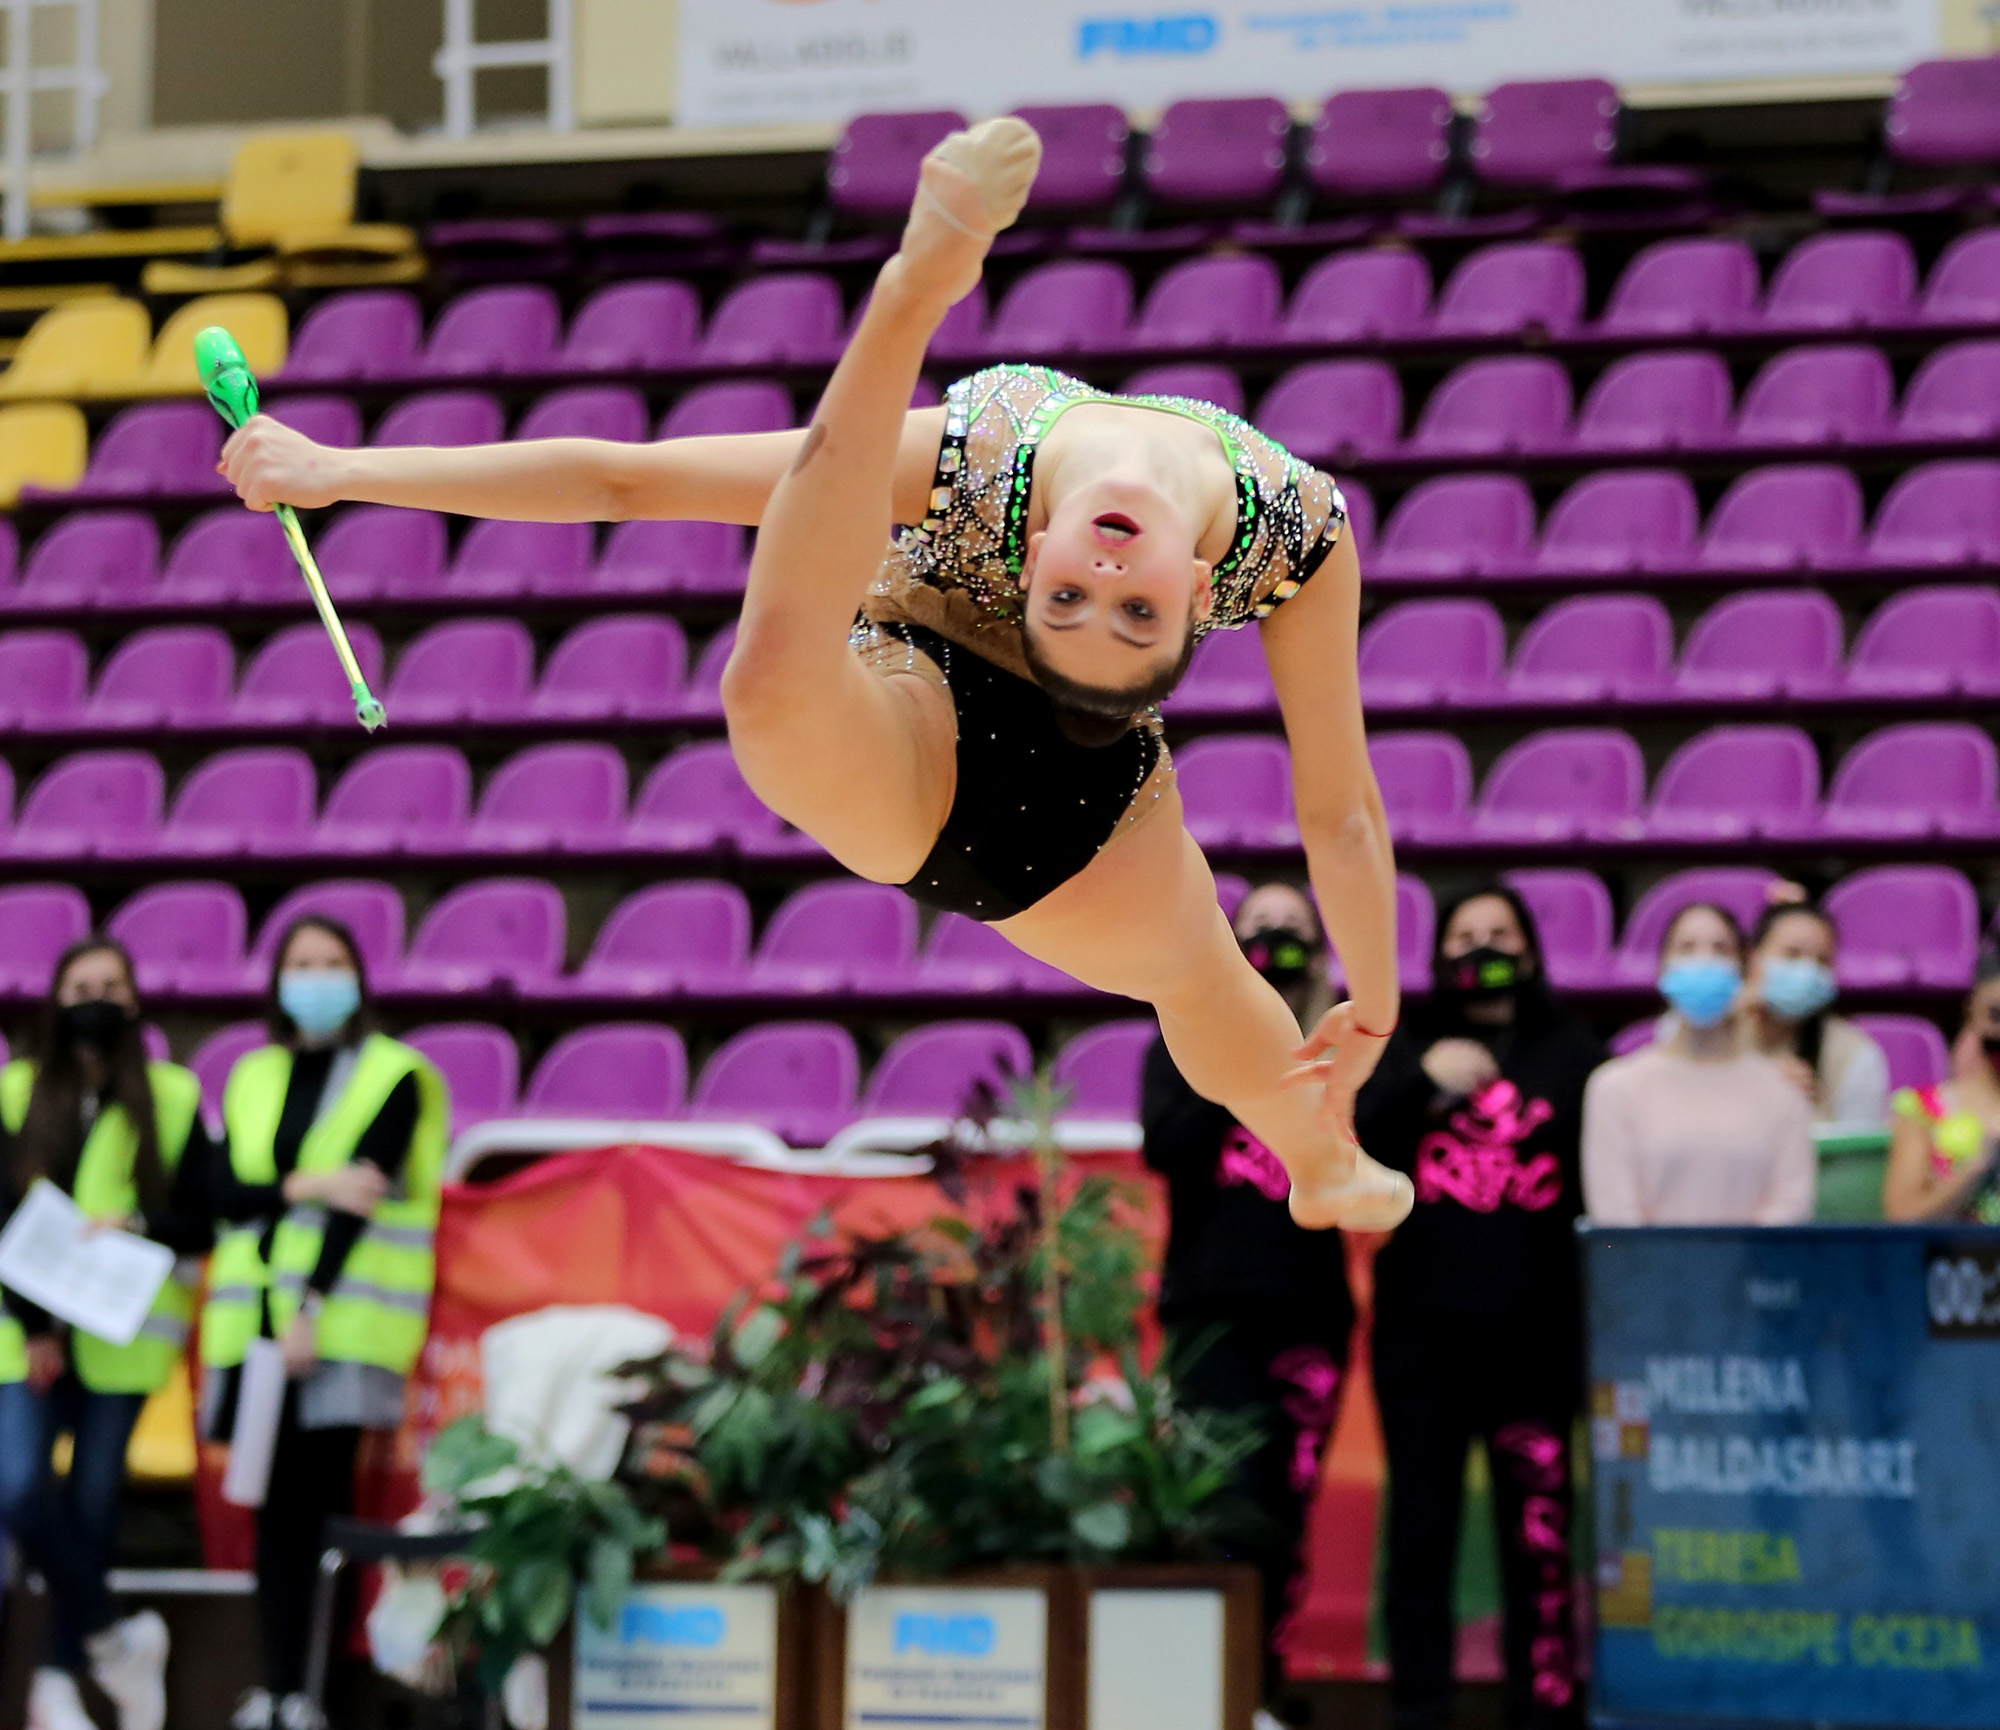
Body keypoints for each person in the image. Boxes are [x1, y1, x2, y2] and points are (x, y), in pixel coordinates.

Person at [216, 118, 1409, 1233]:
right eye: (1106, 597)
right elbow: (626, 478)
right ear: (1032, 557)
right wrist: (336, 469)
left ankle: (1322, 1162)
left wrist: (1379, 1001)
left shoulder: (1294, 541)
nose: (1101, 570)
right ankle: (908, 298)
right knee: (768, 694)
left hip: (1089, 813)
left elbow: (1340, 811)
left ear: (1207, 599)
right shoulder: (1116, 488)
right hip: (917, 708)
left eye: (1112, 608)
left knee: (1201, 982)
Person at [1357, 885, 1605, 1730]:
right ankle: (1418, 1708)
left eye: (1499, 933)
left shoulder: (1575, 1059)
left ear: (1531, 952)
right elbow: (1351, 1142)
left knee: (1537, 1537)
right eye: (1465, 934)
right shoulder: (1402, 1050)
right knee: (1420, 1532)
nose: (1482, 947)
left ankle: (1545, 1708)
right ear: (1439, 959)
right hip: (1420, 1341)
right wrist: (1419, 1080)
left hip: (1536, 1341)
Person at [199, 917, 449, 1730]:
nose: (315, 977)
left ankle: (312, 1690)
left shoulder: (395, 1073)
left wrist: (308, 1307)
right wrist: (308, 1184)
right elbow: (224, 1196)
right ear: (276, 980)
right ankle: (273, 1686)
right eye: (300, 964)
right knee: (270, 1511)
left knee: (317, 1508)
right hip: (255, 1332)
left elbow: (365, 1199)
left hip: (337, 1330)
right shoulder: (252, 1073)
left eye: (331, 962)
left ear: (359, 976)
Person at [1141, 881, 1356, 1726]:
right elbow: (1170, 1146)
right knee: (1218, 1506)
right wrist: (1236, 1040)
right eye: (1258, 929)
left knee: (1286, 1510)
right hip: (1209, 1317)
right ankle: (1213, 1689)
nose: (1274, 941)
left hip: (1309, 1317)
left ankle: (1263, 1685)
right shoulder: (1184, 1032)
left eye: (1292, 931)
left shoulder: (1340, 1046)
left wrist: (1314, 1033)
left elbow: (1386, 1124)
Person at [0, 938, 213, 1730]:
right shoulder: (17, 1090)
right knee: (18, 1486)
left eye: (111, 984)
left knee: (91, 1505)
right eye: (80, 984)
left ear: (134, 998)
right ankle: (115, 1638)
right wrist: (33, 1327)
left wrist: (137, 1221)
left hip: (122, 1337)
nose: (96, 996)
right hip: (29, 1340)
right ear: (54, 1000)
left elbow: (203, 1216)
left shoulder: (173, 1095)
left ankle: (56, 1683)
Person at [1583, 903, 1815, 1225]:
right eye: (1686, 948)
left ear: (1745, 969)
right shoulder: (1614, 1088)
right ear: (1663, 970)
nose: (1704, 960)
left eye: (1720, 949)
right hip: (1647, 1274)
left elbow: (1791, 1207)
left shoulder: (1784, 1089)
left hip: (1753, 1274)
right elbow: (1615, 1218)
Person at [1740, 892, 1889, 1129]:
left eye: (1822, 961)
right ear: (1753, 958)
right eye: (1792, 954)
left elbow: (1857, 1159)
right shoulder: (1701, 1031)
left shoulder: (1854, 1054)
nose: (1807, 971)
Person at [1883, 950, 2000, 1223]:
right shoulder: (1923, 1109)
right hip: (1950, 1262)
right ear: (1972, 1010)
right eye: (1996, 1015)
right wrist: (1972, 1171)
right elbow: (1901, 1218)